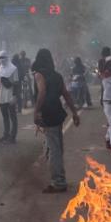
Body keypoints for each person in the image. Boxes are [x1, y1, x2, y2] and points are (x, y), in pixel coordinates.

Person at [33, 48, 80, 193]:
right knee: (57, 147)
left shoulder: (39, 75)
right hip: (58, 113)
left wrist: (36, 111)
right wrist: (74, 113)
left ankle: (58, 182)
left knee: (53, 150)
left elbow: (42, 92)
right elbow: (66, 94)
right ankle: (61, 178)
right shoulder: (57, 75)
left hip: (48, 114)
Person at [0, 50, 19, 143]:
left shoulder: (13, 68)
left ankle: (13, 137)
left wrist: (15, 96)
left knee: (13, 116)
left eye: (3, 57)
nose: (1, 59)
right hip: (1, 96)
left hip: (10, 95)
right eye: (0, 58)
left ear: (7, 57)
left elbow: (16, 83)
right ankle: (6, 135)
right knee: (5, 116)